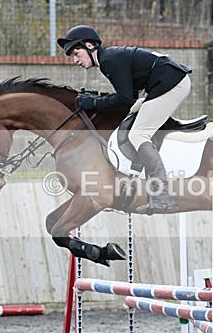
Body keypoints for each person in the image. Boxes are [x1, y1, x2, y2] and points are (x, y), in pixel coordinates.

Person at [57, 24, 192, 214]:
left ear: (89, 46)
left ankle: (162, 195)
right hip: (166, 82)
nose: (75, 60)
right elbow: (127, 98)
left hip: (172, 83)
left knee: (138, 135)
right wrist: (97, 99)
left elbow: (124, 99)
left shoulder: (109, 60)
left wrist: (93, 103)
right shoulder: (109, 58)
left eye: (76, 53)